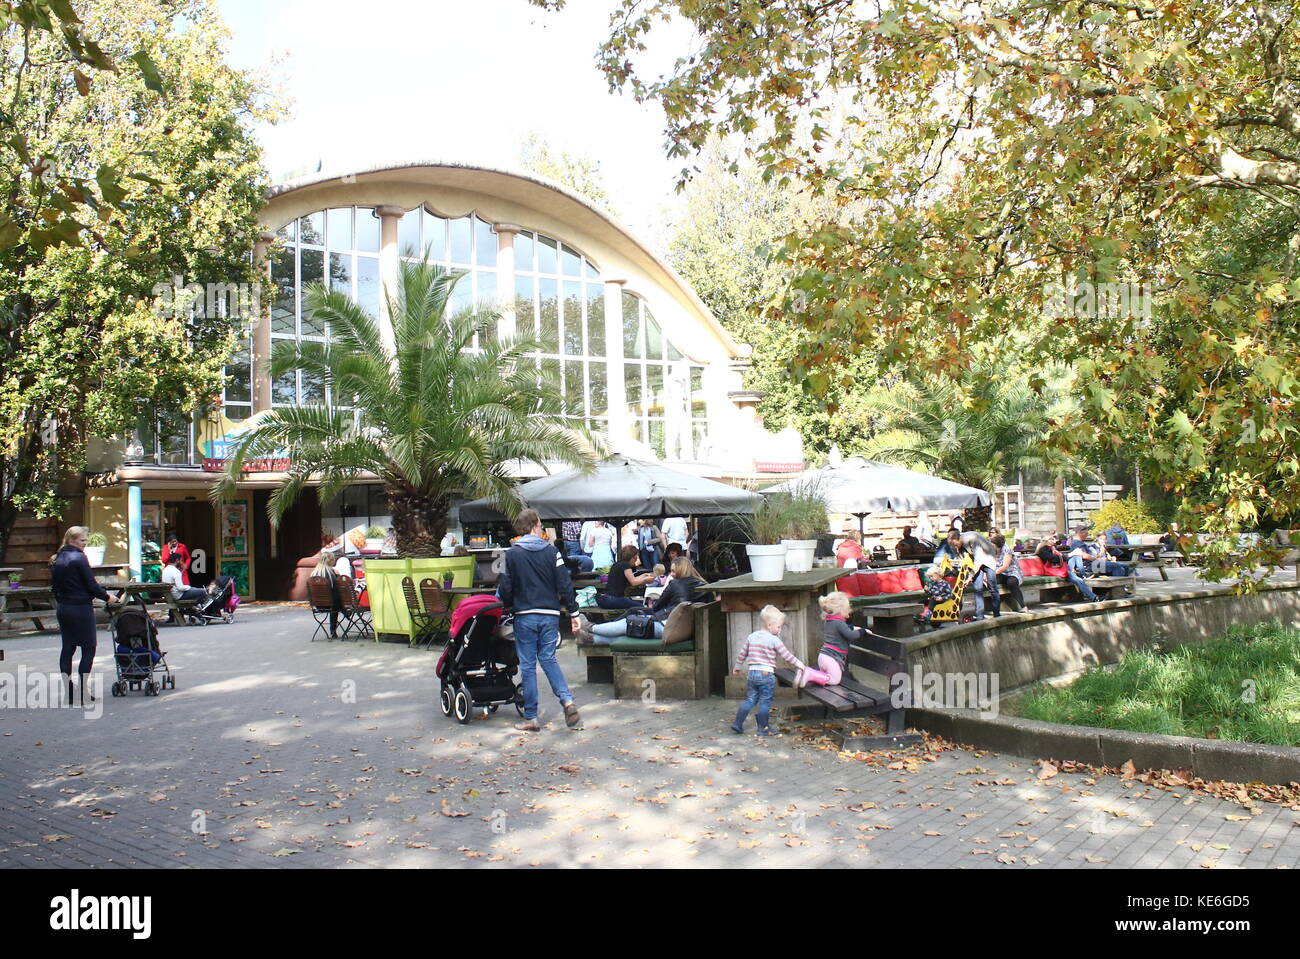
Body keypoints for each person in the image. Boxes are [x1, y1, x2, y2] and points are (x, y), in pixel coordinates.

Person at [495, 508, 582, 731]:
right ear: (534, 525)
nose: (542, 528)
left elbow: (504, 587)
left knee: (528, 665)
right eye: (541, 525)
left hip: (524, 615)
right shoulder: (553, 552)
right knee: (549, 659)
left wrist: (506, 607)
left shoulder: (510, 554)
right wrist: (573, 613)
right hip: (550, 615)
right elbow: (565, 584)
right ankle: (567, 701)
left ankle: (531, 717)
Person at [51, 527, 117, 706]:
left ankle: (69, 691)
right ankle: (82, 691)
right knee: (89, 648)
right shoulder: (79, 558)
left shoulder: (57, 558)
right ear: (72, 540)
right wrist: (108, 597)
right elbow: (91, 584)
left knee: (68, 648)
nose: (85, 544)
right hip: (80, 608)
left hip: (63, 608)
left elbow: (54, 588)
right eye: (82, 541)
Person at [581, 556, 711, 644]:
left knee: (629, 624)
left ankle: (591, 628)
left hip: (668, 627)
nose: (671, 574)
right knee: (631, 631)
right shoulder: (704, 586)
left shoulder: (675, 584)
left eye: (673, 571)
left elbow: (657, 606)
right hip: (688, 631)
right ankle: (592, 638)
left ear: (680, 570)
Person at [730, 605, 806, 736]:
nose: (780, 630)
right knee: (765, 701)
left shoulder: (752, 636)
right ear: (770, 625)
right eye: (779, 627)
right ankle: (763, 728)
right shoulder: (774, 640)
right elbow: (787, 655)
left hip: (752, 673)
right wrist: (800, 664)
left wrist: (737, 667)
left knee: (750, 699)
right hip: (766, 674)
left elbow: (742, 654)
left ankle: (737, 723)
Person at [795, 591, 861, 688]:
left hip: (823, 656)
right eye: (847, 609)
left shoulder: (829, 621)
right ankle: (810, 674)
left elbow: (845, 628)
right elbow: (850, 635)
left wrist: (854, 627)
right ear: (841, 609)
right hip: (832, 659)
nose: (849, 611)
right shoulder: (839, 623)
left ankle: (803, 673)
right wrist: (862, 631)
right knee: (835, 680)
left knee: (826, 677)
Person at [1038, 534, 1099, 602]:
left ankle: (1083, 574)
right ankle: (1094, 597)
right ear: (1046, 541)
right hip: (1053, 571)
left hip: (1059, 569)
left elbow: (1062, 558)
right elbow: (1054, 559)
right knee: (1078, 580)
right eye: (1051, 539)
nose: (1054, 541)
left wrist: (1070, 555)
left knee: (1077, 555)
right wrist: (1069, 555)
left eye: (1053, 539)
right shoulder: (1043, 550)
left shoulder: (1053, 548)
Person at [598, 545, 655, 610]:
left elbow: (632, 579)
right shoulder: (626, 565)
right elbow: (633, 582)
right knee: (641, 607)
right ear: (633, 557)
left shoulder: (617, 564)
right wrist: (645, 579)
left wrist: (644, 575)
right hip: (612, 599)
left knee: (631, 603)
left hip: (604, 599)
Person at [991, 533, 1025, 610]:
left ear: (998, 545)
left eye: (993, 545)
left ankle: (1023, 606)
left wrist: (993, 573)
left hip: (1012, 572)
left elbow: (1005, 566)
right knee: (990, 581)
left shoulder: (1007, 550)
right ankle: (993, 607)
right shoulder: (992, 550)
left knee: (1011, 583)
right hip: (1001, 573)